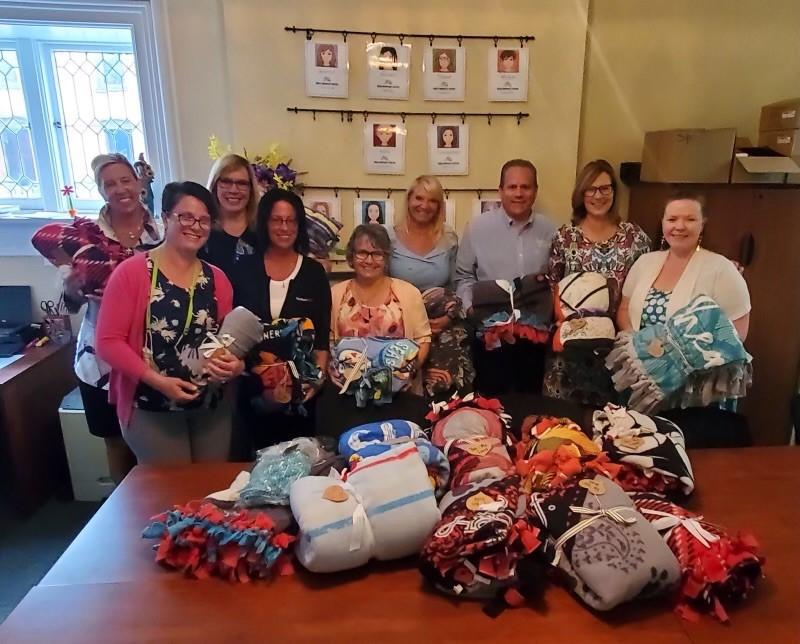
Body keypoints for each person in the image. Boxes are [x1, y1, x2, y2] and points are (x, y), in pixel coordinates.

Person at [31, 153, 161, 484]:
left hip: (153, 353)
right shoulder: (84, 239)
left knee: (156, 444)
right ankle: (122, 513)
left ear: (138, 183)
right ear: (101, 191)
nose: (120, 189)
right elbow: (72, 305)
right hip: (101, 360)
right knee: (115, 443)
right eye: (110, 184)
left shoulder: (160, 230)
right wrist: (73, 286)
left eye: (125, 180)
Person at [96, 181, 240, 466]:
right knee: (170, 498)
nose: (195, 226)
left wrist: (236, 366)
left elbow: (225, 341)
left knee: (208, 493)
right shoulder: (133, 273)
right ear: (165, 217)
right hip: (151, 407)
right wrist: (157, 381)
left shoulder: (217, 280)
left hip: (210, 408)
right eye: (185, 217)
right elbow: (108, 342)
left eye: (204, 220)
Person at [231, 188, 332, 451]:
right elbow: (232, 333)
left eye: (291, 220)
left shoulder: (313, 272)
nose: (284, 227)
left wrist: (317, 380)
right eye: (277, 220)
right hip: (252, 394)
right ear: (265, 223)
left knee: (297, 468)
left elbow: (322, 336)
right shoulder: (244, 269)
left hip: (301, 394)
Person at [544, 159, 651, 406]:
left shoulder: (635, 237)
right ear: (581, 194)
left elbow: (647, 285)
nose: (598, 195)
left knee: (614, 428)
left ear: (614, 191)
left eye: (605, 188)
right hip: (572, 349)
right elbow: (553, 286)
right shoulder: (565, 237)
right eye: (590, 189)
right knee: (566, 426)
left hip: (618, 345)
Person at [455, 159, 557, 395]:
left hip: (535, 338)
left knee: (530, 403)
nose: (519, 193)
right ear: (500, 190)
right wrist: (471, 309)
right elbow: (462, 276)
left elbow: (556, 277)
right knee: (491, 404)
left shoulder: (551, 230)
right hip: (489, 335)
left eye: (526, 187)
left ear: (535, 191)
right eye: (512, 187)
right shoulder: (477, 228)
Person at [618, 192, 750, 340]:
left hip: (695, 362)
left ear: (702, 224)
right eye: (672, 219)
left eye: (690, 219)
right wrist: (638, 343)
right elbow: (624, 309)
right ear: (663, 222)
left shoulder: (722, 269)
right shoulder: (644, 262)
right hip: (636, 356)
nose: (679, 226)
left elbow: (738, 332)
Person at [388, 176, 472, 397]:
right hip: (400, 325)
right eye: (419, 198)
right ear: (408, 199)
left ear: (439, 205)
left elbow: (458, 282)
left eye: (432, 200)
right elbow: (380, 285)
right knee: (403, 388)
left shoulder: (449, 237)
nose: (424, 205)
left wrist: (449, 317)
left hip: (440, 324)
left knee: (445, 389)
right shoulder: (389, 237)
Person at [202, 153, 259, 278]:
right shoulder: (201, 231)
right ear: (214, 186)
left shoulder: (264, 230)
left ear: (251, 189)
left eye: (242, 183)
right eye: (226, 182)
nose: (233, 190)